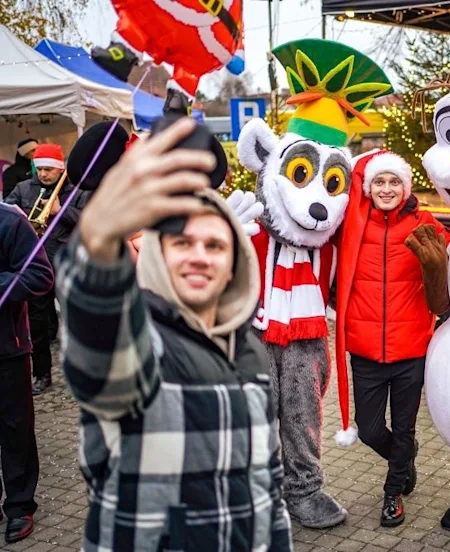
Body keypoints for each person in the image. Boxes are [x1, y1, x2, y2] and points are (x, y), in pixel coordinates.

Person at [55, 118, 292, 552]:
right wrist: (101, 236)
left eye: (215, 245)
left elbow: (266, 484)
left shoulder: (249, 355)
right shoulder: (137, 346)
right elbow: (95, 333)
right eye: (182, 243)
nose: (200, 256)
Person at [332, 151, 450, 528]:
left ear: (406, 186)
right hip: (366, 348)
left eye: (394, 181)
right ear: (369, 188)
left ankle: (393, 492)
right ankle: (404, 457)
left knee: (405, 427)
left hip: (411, 347)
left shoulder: (425, 224)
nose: (387, 189)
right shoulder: (351, 226)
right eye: (379, 182)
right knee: (369, 430)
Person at [5, 144, 91, 394]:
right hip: (36, 266)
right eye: (39, 169)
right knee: (38, 326)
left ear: (60, 169)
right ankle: (41, 374)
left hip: (68, 264)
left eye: (48, 170)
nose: (43, 174)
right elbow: (9, 214)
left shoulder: (77, 190)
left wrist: (61, 212)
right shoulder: (23, 188)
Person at [0, 202, 53, 544]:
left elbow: (40, 275)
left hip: (7, 348)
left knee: (15, 428)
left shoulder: (10, 221)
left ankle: (19, 506)